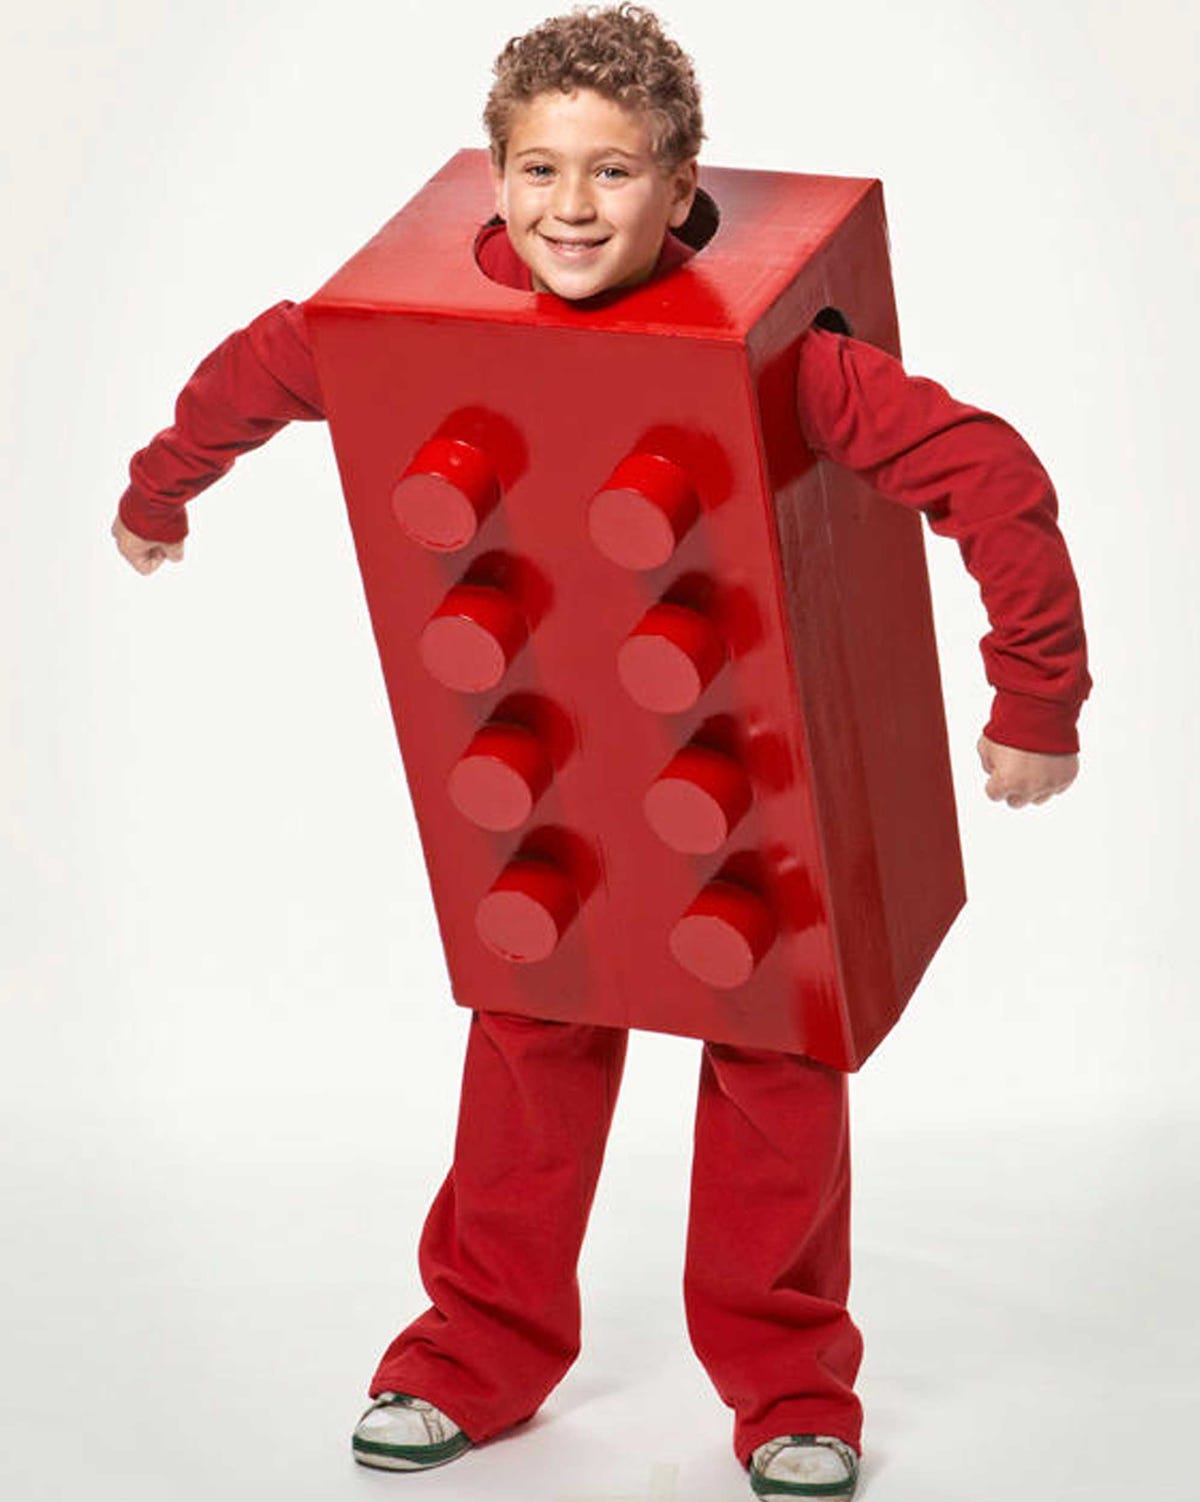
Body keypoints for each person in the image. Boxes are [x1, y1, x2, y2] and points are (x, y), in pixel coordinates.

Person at [110, 6, 1090, 1498]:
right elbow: (265, 365)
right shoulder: (392, 318)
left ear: (682, 181)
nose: (571, 206)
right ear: (494, 176)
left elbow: (989, 472)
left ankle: (787, 1386)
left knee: (774, 1058)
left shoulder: (802, 368)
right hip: (551, 802)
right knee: (530, 1034)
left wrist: (1034, 696)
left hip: (743, 805)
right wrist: (161, 492)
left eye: (614, 170)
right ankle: (475, 1348)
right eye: (540, 169)